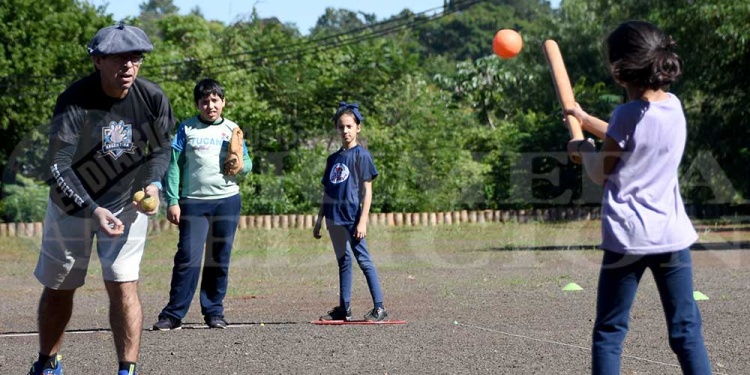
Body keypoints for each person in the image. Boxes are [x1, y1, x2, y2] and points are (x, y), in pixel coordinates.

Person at [565, 21, 712, 374]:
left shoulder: (625, 115)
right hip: (671, 236)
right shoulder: (674, 107)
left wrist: (582, 149)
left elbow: (602, 171)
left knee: (610, 332)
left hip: (628, 238)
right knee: (686, 330)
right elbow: (632, 135)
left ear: (619, 71)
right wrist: (584, 119)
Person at [29, 23, 175, 375]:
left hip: (128, 204)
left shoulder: (153, 98)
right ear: (97, 60)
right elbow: (59, 165)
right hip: (72, 206)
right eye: (119, 58)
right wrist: (92, 210)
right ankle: (48, 363)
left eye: (135, 58)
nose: (129, 66)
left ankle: (128, 369)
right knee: (61, 285)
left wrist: (154, 184)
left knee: (124, 285)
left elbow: (161, 150)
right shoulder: (74, 100)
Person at [152, 78, 252, 331]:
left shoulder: (232, 129)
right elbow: (173, 166)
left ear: (223, 102)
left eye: (215, 100)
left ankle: (214, 312)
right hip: (193, 203)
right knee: (187, 257)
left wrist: (241, 164)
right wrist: (172, 201)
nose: (210, 105)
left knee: (218, 259)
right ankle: (173, 314)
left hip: (227, 201)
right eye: (205, 101)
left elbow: (247, 164)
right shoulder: (186, 130)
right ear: (198, 104)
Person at [313, 101, 388, 322]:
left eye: (349, 126)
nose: (345, 131)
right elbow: (327, 192)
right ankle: (344, 308)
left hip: (353, 218)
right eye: (341, 127)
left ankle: (380, 307)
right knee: (343, 261)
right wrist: (319, 220)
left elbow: (367, 191)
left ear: (358, 128)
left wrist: (363, 221)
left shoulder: (361, 155)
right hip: (333, 218)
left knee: (364, 261)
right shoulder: (333, 159)